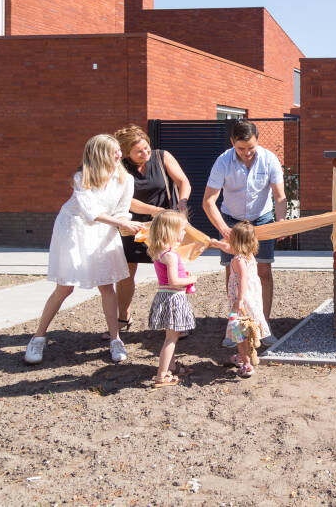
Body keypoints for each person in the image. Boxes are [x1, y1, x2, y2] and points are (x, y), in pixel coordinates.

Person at [24, 135, 142, 364]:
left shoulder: (125, 179)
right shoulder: (82, 177)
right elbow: (90, 212)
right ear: (99, 155)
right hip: (74, 229)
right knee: (65, 288)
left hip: (104, 230)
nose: (119, 155)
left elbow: (121, 210)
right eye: (112, 151)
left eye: (119, 150)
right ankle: (38, 337)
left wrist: (126, 222)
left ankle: (115, 339)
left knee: (107, 285)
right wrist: (122, 223)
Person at [202, 120, 286, 346]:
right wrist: (223, 228)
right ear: (232, 143)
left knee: (263, 271)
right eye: (241, 149)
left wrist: (281, 222)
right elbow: (208, 201)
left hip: (262, 220)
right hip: (232, 221)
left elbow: (279, 197)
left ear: (257, 141)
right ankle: (235, 330)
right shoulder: (223, 161)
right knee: (234, 275)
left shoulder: (269, 159)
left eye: (251, 148)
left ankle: (262, 327)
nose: (247, 153)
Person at [109, 125, 192, 340]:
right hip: (134, 227)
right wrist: (155, 211)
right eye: (139, 151)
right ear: (127, 153)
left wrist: (181, 202)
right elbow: (125, 200)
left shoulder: (162, 156)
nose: (145, 153)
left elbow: (183, 181)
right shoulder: (120, 167)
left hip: (165, 228)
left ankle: (176, 321)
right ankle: (123, 317)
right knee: (127, 272)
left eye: (146, 148)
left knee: (173, 272)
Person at [147, 210, 197, 388]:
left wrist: (185, 276)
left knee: (171, 336)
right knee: (171, 338)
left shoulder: (160, 252)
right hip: (173, 298)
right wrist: (191, 279)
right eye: (182, 229)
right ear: (171, 231)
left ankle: (172, 366)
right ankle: (161, 376)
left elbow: (170, 278)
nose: (184, 233)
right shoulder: (171, 255)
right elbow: (175, 282)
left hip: (164, 296)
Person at [218, 221, 273, 378]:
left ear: (235, 241)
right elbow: (229, 249)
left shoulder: (238, 261)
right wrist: (216, 244)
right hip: (253, 300)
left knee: (239, 333)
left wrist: (239, 300)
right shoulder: (249, 256)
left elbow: (243, 279)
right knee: (246, 330)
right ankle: (243, 357)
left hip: (241, 302)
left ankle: (246, 364)